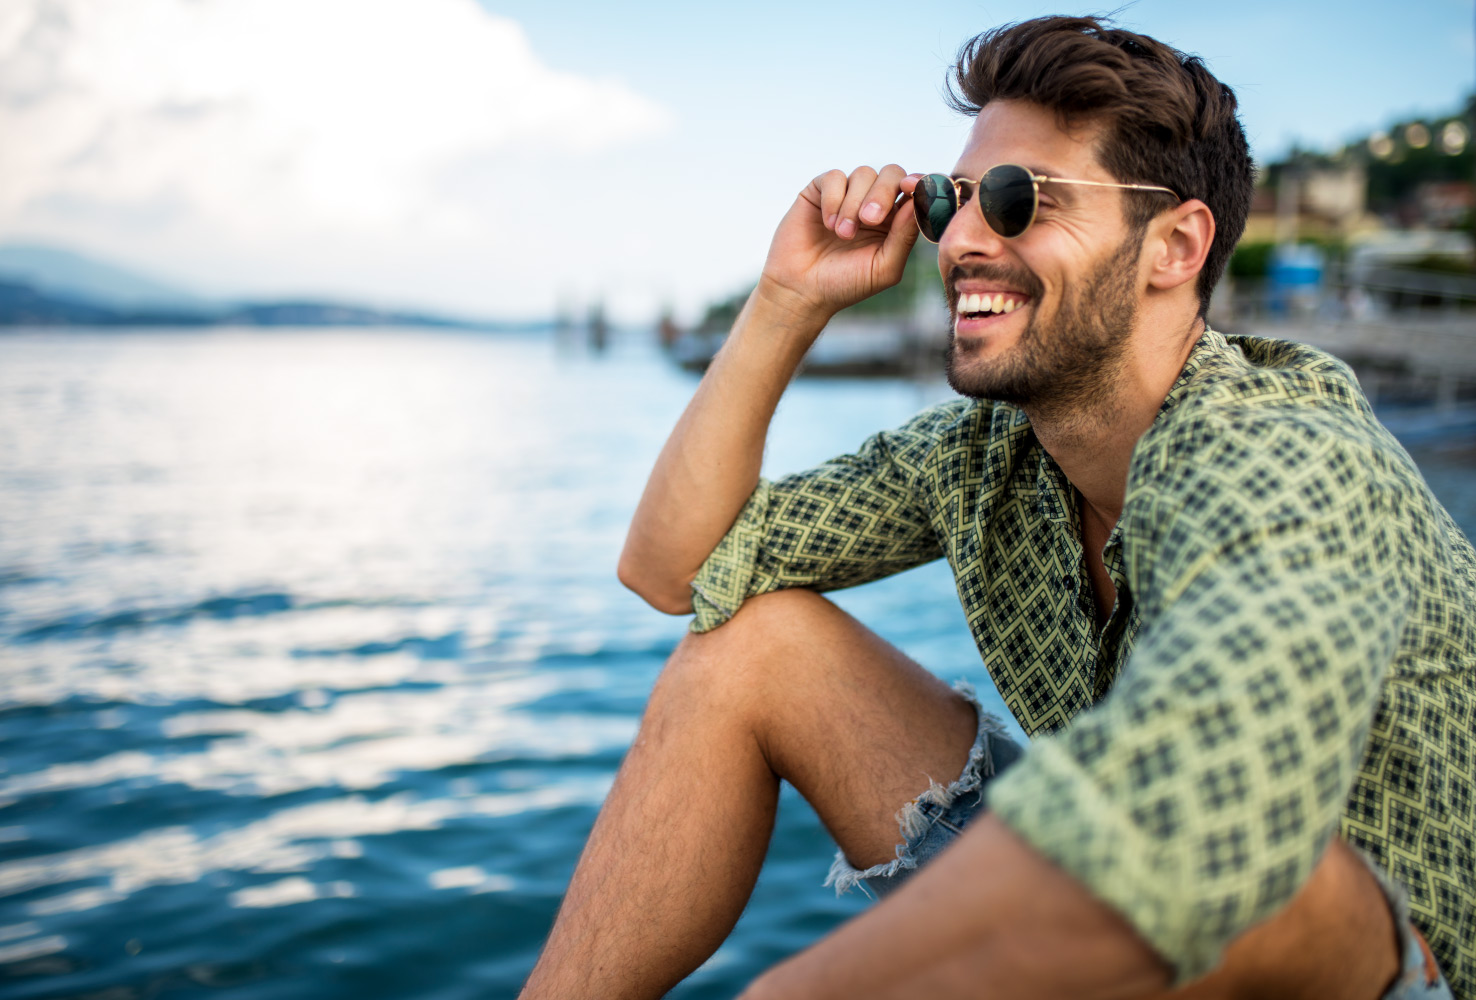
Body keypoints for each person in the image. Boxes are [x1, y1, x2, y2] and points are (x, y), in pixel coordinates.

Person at [520, 16, 1474, 1000]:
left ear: (1175, 246)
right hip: (1134, 899)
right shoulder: (985, 456)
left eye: (1020, 201)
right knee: (752, 647)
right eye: (952, 201)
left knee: (1283, 883)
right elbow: (673, 568)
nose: (964, 241)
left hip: (1371, 965)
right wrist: (785, 299)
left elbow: (1202, 827)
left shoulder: (1284, 460)